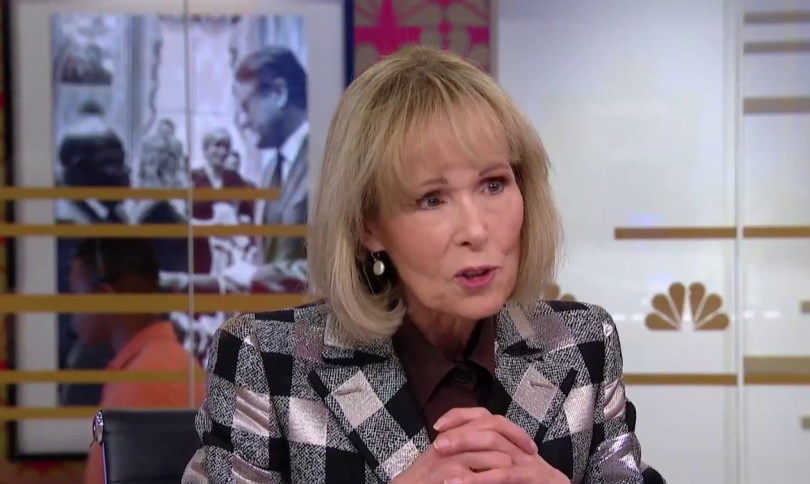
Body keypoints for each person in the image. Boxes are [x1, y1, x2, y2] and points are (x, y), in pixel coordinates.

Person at [183, 47, 662, 483]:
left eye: (494, 184)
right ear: (368, 225)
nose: (475, 229)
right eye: (432, 199)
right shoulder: (268, 360)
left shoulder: (581, 345)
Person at [69, 238, 206, 484]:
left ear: (104, 296)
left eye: (75, 294)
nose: (70, 311)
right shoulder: (159, 365)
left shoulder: (147, 380)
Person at [233, 46, 309, 292]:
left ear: (278, 93)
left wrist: (256, 275)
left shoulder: (330, 159)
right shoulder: (269, 172)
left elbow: (340, 267)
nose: (243, 121)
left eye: (246, 107)